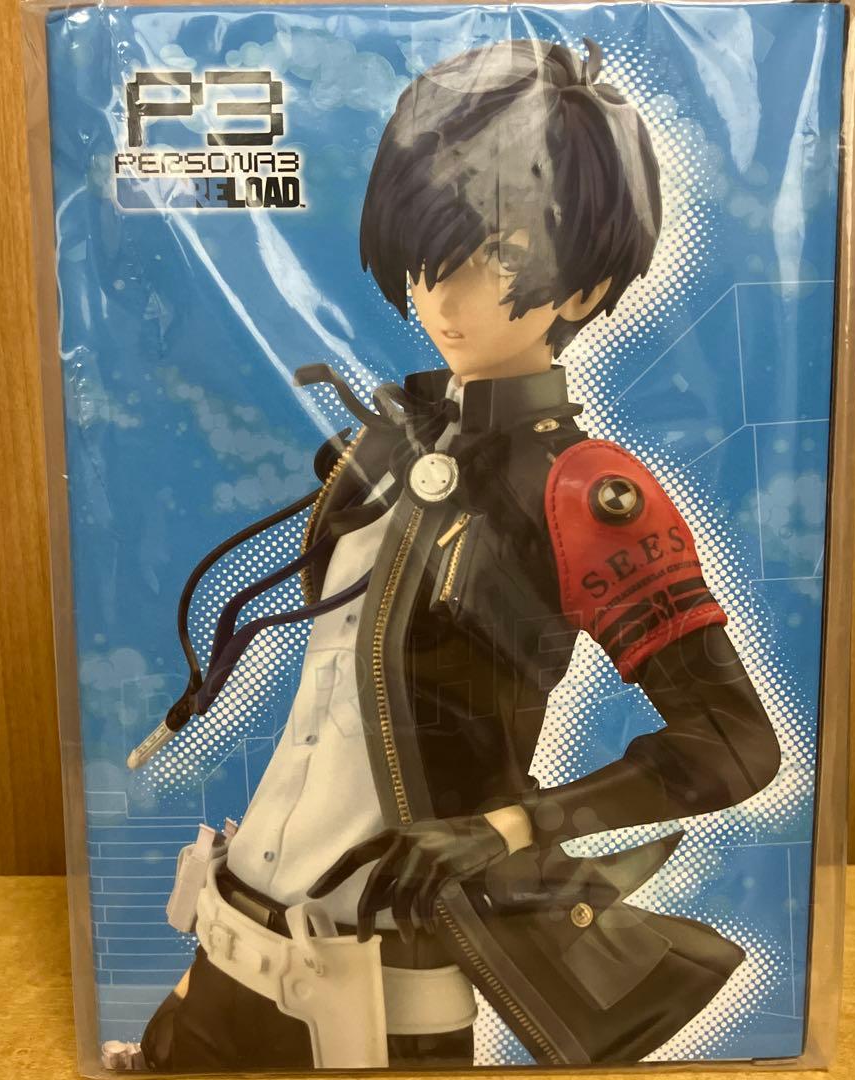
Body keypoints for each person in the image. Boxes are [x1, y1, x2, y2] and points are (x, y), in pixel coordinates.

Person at [121, 36, 780, 1072]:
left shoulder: (583, 491)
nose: (448, 291)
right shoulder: (381, 451)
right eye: (435, 248)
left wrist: (512, 829)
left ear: (584, 286)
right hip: (225, 938)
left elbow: (733, 741)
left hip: (380, 992)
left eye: (503, 255)